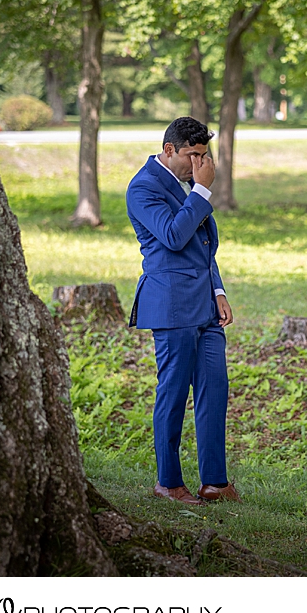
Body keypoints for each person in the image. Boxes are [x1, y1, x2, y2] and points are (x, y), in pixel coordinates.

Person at [126, 117, 240, 506]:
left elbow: (204, 245)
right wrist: (204, 191)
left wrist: (219, 290)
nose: (199, 164)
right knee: (173, 394)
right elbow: (174, 237)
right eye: (193, 155)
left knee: (215, 390)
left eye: (204, 156)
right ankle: (168, 482)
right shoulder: (143, 187)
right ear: (169, 150)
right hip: (172, 304)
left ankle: (215, 482)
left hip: (206, 304)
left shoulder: (191, 187)